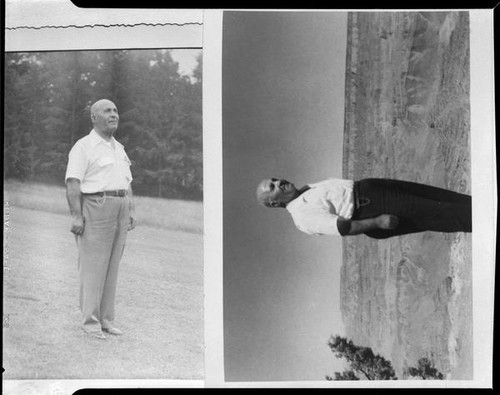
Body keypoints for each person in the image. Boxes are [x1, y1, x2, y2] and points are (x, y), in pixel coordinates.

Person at [65, 99, 136, 340]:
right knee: (93, 266)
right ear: (94, 118)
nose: (114, 115)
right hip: (96, 206)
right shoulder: (83, 147)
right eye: (107, 111)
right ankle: (90, 322)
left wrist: (131, 209)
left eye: (116, 110)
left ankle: (106, 319)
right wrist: (76, 215)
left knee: (112, 266)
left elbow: (126, 182)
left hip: (121, 206)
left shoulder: (119, 148)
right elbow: (73, 182)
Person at [256, 177, 471, 239]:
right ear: (275, 203)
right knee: (442, 213)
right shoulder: (301, 216)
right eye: (272, 187)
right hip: (373, 209)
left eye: (275, 179)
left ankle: (478, 208)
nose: (279, 182)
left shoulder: (307, 189)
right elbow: (341, 227)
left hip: (374, 190)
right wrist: (377, 222)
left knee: (441, 198)